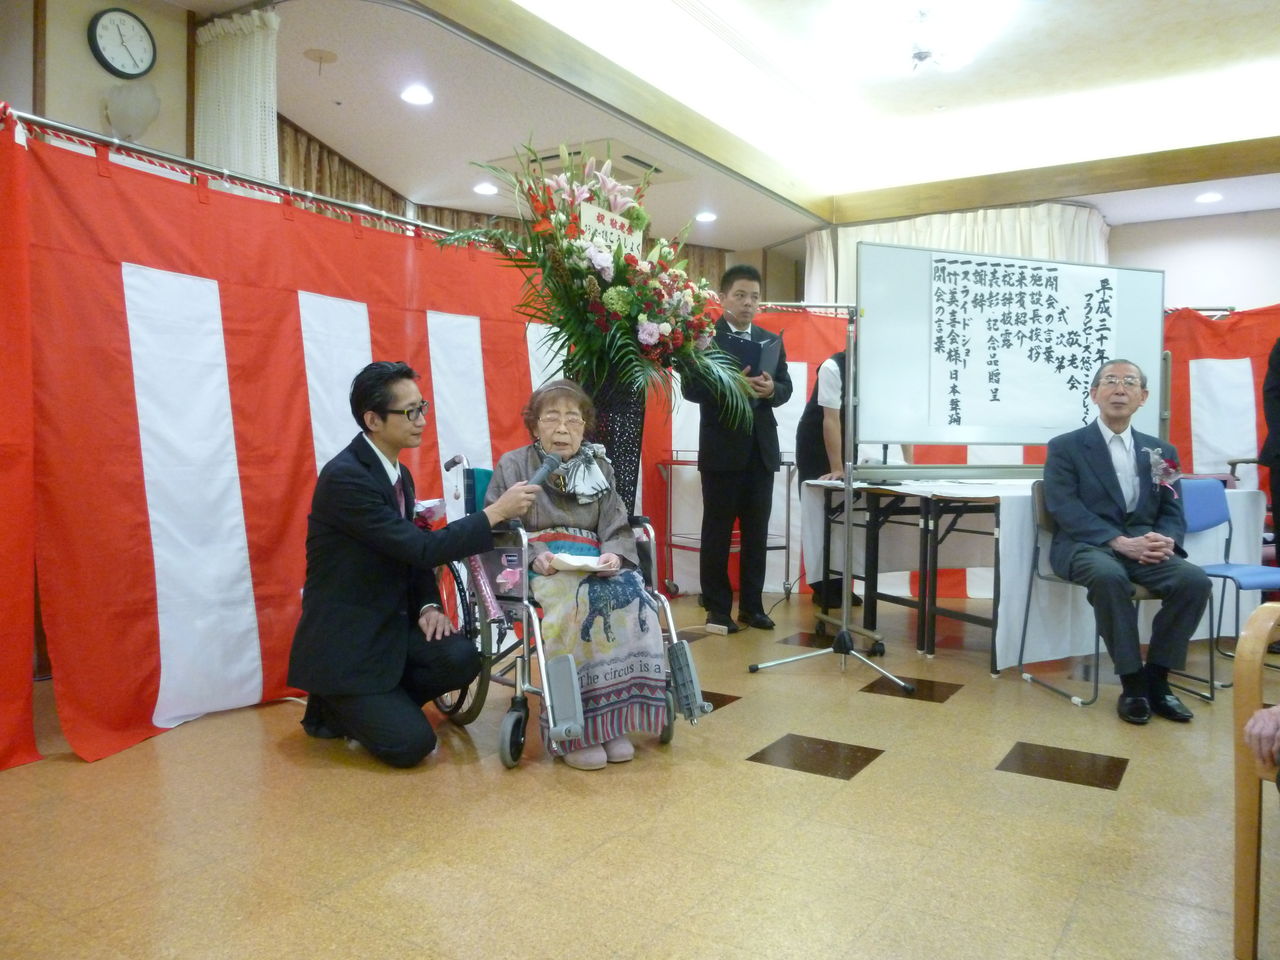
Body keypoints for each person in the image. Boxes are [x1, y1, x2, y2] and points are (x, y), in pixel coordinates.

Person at [288, 361, 537, 768]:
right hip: (351, 642)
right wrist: (495, 513)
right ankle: (337, 705)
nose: (422, 420)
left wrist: (428, 604)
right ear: (373, 420)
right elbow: (421, 548)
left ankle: (378, 705)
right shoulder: (345, 479)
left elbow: (406, 552)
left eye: (422, 407)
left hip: (392, 625)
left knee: (463, 658)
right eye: (409, 412)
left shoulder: (398, 473)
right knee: (412, 746)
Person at [486, 379, 668, 771]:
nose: (563, 428)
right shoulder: (514, 466)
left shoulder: (599, 467)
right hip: (546, 565)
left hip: (595, 562)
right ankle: (575, 729)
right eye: (551, 417)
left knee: (637, 604)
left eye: (573, 418)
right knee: (576, 611)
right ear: (535, 425)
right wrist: (534, 556)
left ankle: (611, 721)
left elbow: (616, 524)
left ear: (585, 427)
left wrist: (614, 554)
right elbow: (499, 525)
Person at [1043, 359, 1212, 725]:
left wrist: (1165, 540)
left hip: (1142, 547)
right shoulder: (1065, 447)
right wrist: (1117, 541)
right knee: (1109, 577)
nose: (1120, 389)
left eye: (1130, 382)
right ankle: (1132, 684)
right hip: (1085, 545)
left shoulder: (1162, 451)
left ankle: (1158, 680)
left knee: (1194, 581)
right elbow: (1064, 508)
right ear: (1094, 394)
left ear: (1143, 397)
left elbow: (1172, 505)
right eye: (1111, 381)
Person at [681, 264, 793, 633]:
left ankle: (752, 607)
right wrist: (730, 384)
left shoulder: (770, 340)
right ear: (723, 297)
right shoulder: (704, 337)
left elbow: (785, 387)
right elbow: (690, 388)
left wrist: (771, 390)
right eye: (741, 295)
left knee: (756, 533)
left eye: (754, 297)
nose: (748, 303)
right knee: (717, 532)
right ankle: (717, 609)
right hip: (722, 449)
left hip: (761, 450)